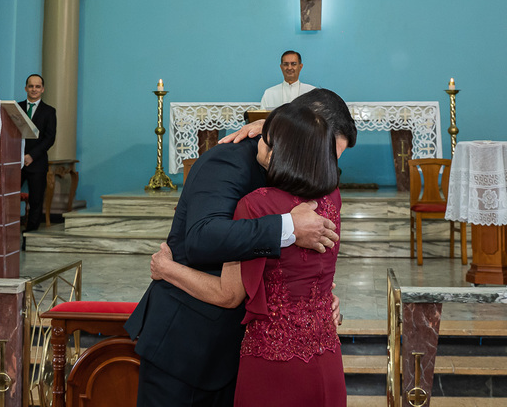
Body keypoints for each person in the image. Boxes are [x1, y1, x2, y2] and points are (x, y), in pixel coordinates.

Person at [126, 88, 355, 406]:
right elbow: (202, 239)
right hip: (189, 345)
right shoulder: (227, 161)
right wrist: (288, 227)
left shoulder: (295, 169)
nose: (323, 166)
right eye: (324, 151)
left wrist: (313, 295)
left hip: (250, 347)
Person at [19, 74, 56, 231]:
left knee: (36, 201)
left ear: (43, 89)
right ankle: (9, 234)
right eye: (31, 86)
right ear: (26, 88)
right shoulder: (16, 107)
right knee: (9, 199)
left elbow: (49, 138)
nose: (34, 89)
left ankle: (30, 236)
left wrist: (31, 156)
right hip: (16, 161)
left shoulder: (49, 111)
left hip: (37, 162)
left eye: (37, 86)